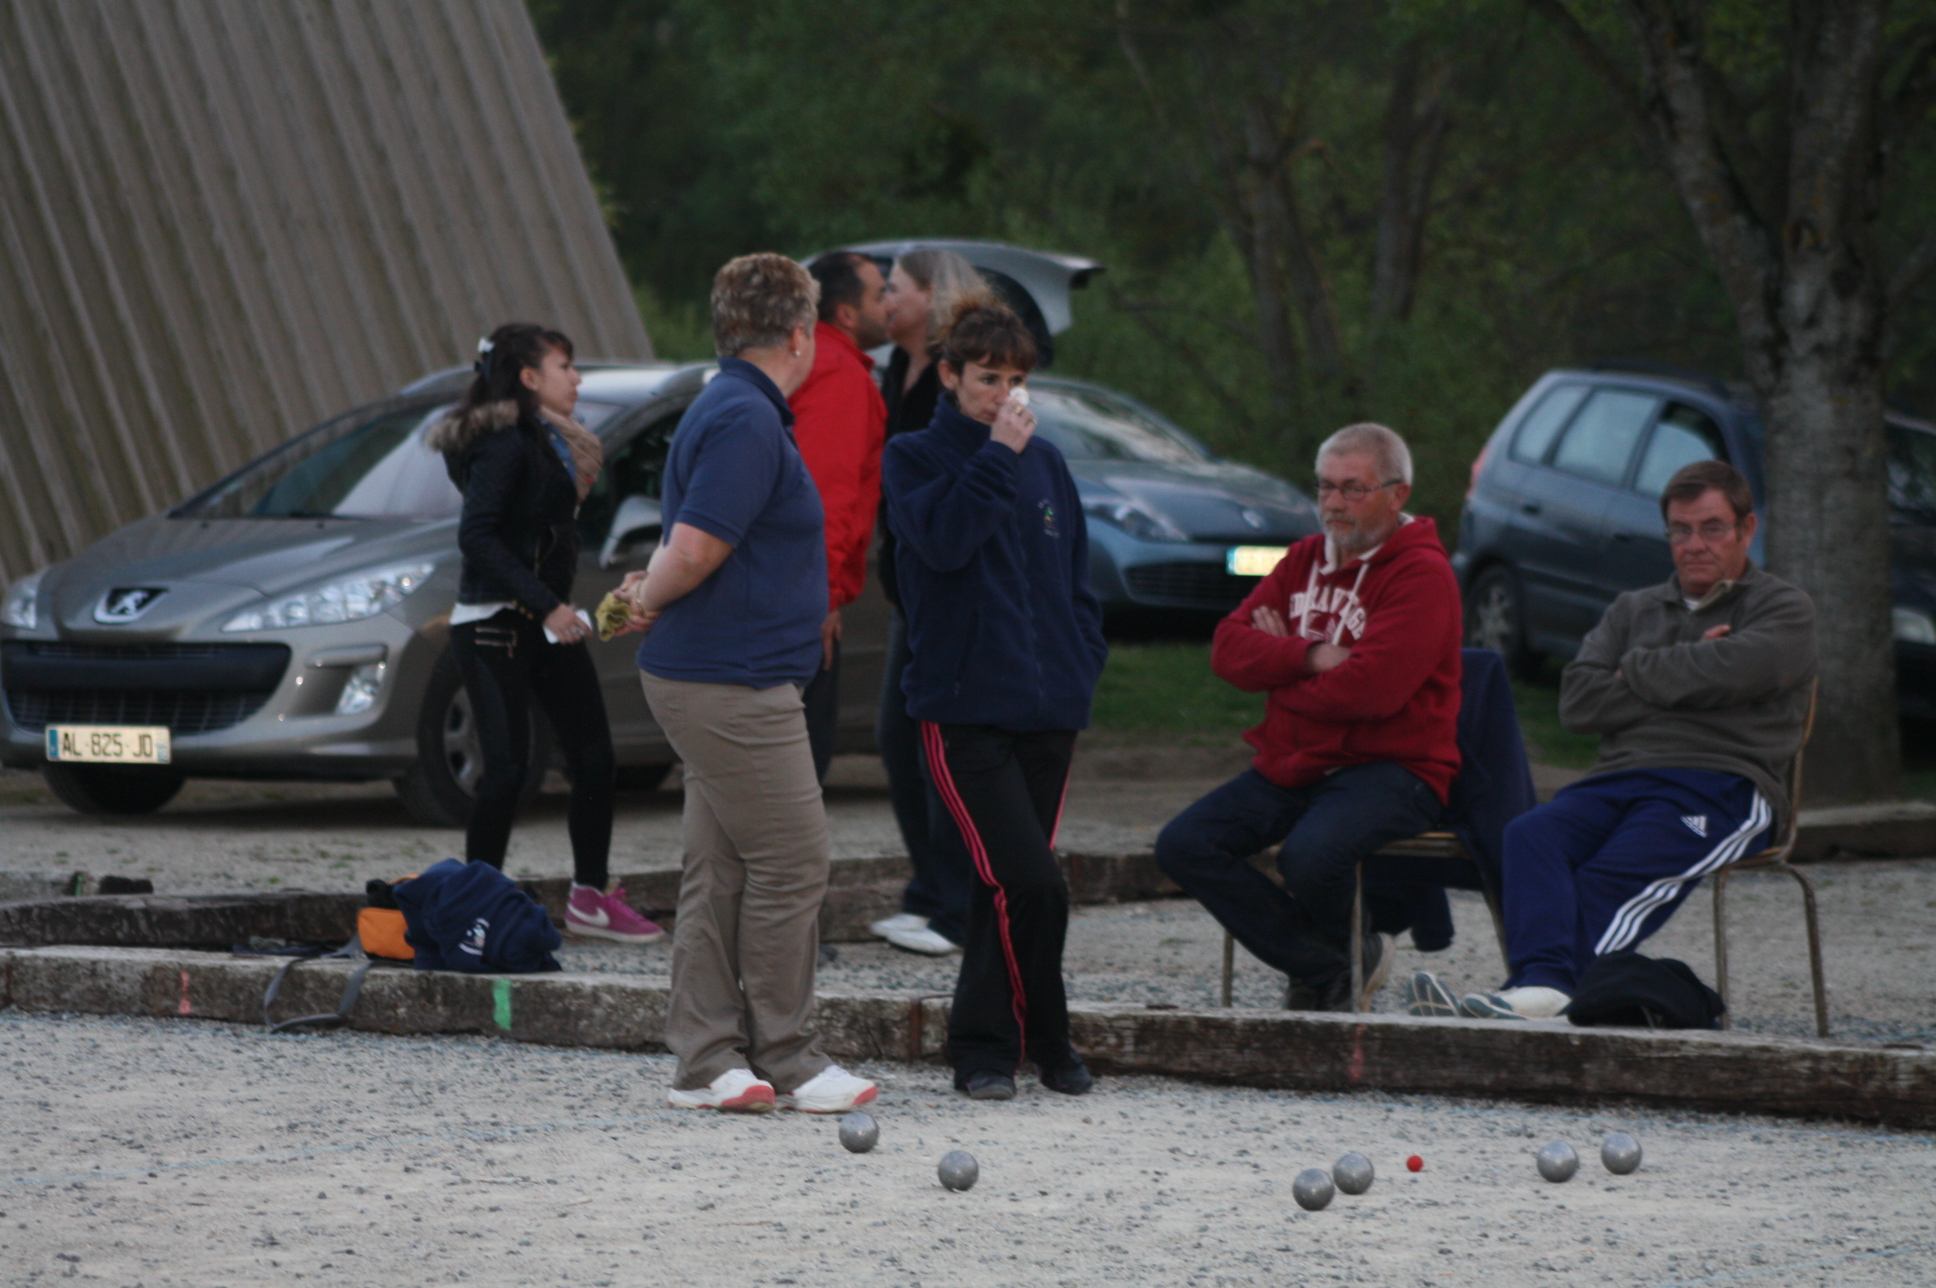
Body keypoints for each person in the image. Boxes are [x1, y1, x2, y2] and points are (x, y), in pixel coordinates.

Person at [1414, 460, 1817, 1021]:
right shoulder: (1634, 608)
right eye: (1680, 530)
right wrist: (1693, 670)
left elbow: (1742, 667)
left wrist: (1634, 671)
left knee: (1612, 873)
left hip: (1722, 785)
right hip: (1619, 776)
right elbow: (1578, 701)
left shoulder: (1782, 608)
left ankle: (1542, 987)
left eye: (1712, 528)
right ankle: (1542, 988)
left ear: (1747, 530)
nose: (1694, 544)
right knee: (1531, 834)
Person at [616, 253, 877, 1115]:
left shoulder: (732, 406)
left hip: (724, 674)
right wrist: (644, 600)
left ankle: (706, 1062)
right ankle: (791, 1058)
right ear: (801, 335)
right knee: (796, 858)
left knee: (720, 870)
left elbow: (688, 540)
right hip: (730, 682)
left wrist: (641, 597)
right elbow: (693, 549)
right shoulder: (744, 419)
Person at [881, 299, 1109, 1101]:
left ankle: (988, 1050)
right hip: (963, 707)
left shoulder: (1047, 463)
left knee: (1000, 884)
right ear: (948, 376)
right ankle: (1046, 1035)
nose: (1004, 396)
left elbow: (1075, 576)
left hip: (1049, 709)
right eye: (987, 379)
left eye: (1016, 380)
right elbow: (941, 542)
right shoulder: (914, 456)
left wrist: (1082, 662)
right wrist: (996, 456)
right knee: (1030, 879)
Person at [1154, 424, 1462, 1010]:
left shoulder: (1423, 576)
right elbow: (1226, 648)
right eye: (1325, 487)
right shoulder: (1301, 560)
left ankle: (1326, 971)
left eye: (1353, 489)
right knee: (1185, 844)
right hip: (1297, 760)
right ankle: (1330, 963)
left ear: (1397, 494)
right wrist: (1310, 655)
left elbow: (1370, 693)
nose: (1333, 504)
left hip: (1394, 768)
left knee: (1310, 854)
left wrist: (1276, 680)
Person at [427, 322, 660, 945]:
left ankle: (590, 896)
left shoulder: (548, 439)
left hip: (542, 619)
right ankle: (470, 910)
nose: (577, 378)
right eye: (565, 367)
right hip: (494, 625)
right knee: (505, 769)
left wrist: (565, 605)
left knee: (594, 758)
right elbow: (477, 536)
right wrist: (547, 604)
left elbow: (537, 533)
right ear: (529, 378)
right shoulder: (504, 443)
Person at [868, 248, 996, 956]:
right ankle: (930, 890)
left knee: (934, 742)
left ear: (930, 297)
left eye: (895, 290)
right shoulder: (896, 368)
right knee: (898, 737)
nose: (884, 302)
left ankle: (951, 904)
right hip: (905, 580)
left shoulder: (957, 376)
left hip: (945, 581)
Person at [791, 252, 890, 782]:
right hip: (803, 599)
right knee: (799, 767)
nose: (890, 305)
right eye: (880, 294)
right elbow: (824, 497)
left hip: (796, 589)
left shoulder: (815, 362)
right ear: (847, 313)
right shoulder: (838, 375)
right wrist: (822, 598)